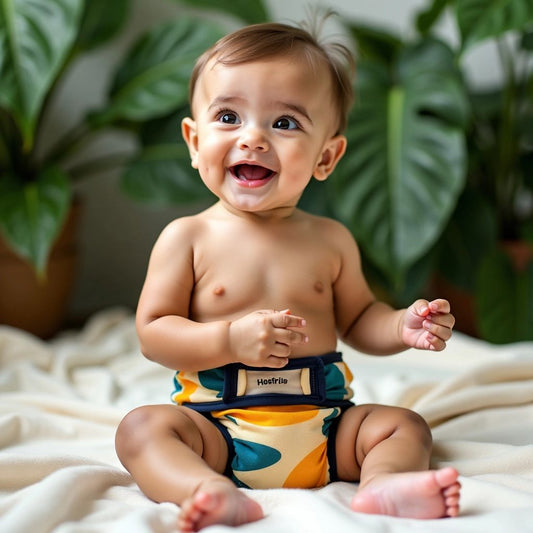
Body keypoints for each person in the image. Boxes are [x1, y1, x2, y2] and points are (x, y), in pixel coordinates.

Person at [115, 19, 461, 532]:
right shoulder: (186, 238)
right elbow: (154, 332)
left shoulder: (331, 240)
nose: (252, 138)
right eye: (228, 116)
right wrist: (229, 338)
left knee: (401, 425)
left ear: (326, 156)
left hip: (324, 425)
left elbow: (361, 317)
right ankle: (205, 489)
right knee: (141, 429)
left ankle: (384, 484)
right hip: (217, 426)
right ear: (193, 140)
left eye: (284, 123)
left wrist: (399, 327)